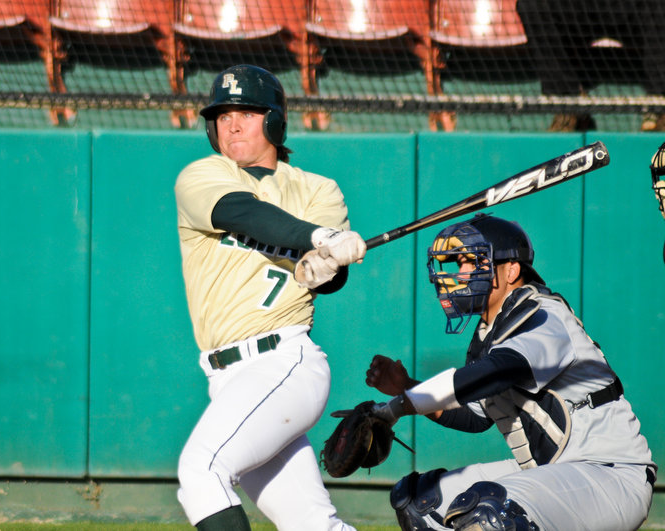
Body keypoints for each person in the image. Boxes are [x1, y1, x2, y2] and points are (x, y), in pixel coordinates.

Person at [364, 213, 656, 530]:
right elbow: (474, 416)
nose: (459, 274)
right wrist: (405, 388)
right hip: (556, 473)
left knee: (491, 512)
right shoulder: (490, 333)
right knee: (422, 502)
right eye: (460, 264)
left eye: (471, 262)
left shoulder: (542, 314)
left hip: (609, 473)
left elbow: (498, 372)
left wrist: (396, 408)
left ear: (511, 271)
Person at [174, 64, 365, 531]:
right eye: (222, 115)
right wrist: (316, 236)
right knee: (312, 525)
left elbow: (327, 280)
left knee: (201, 472)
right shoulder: (204, 175)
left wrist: (326, 268)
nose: (232, 124)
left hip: (283, 361)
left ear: (275, 121)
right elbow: (239, 212)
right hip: (226, 376)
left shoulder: (317, 189)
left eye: (247, 112)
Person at [516, 0, 665, 132]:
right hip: (583, 8)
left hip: (631, 6)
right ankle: (568, 104)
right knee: (532, 4)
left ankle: (659, 106)